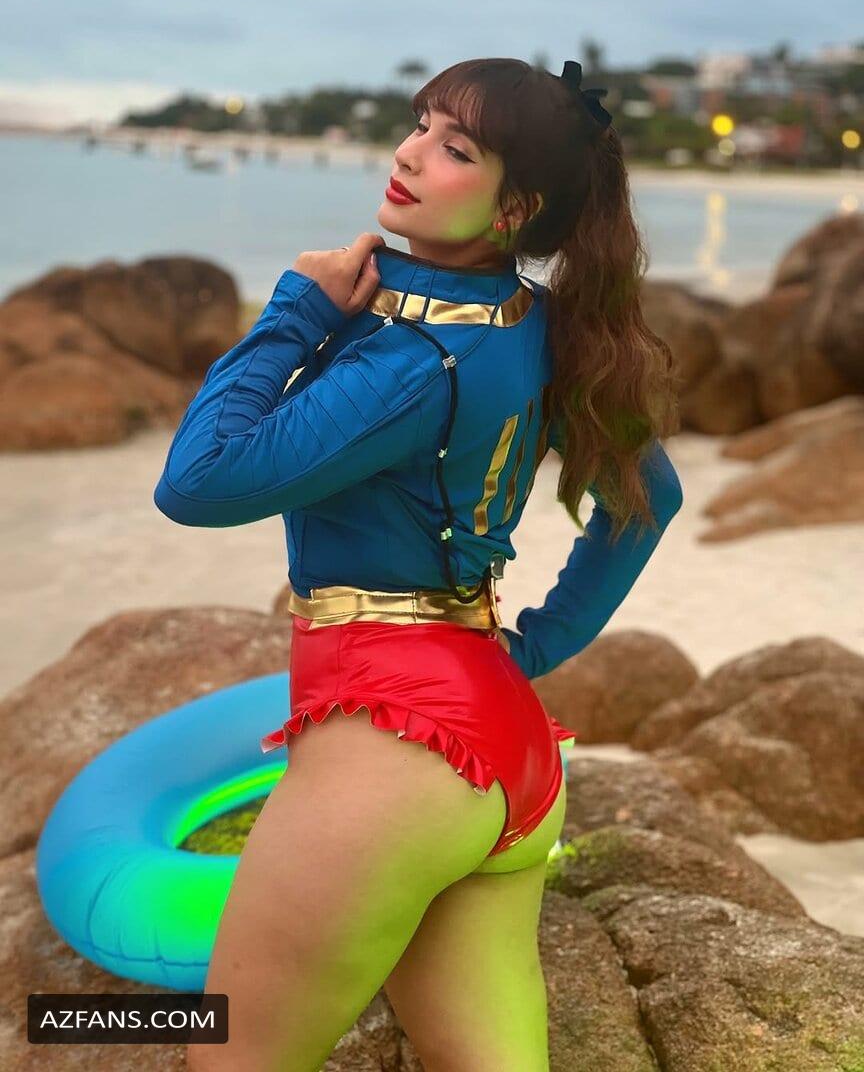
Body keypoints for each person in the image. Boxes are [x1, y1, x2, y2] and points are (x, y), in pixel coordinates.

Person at [155, 56, 683, 1072]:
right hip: (508, 751)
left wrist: (294, 314)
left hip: (395, 758)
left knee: (225, 1050)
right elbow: (649, 498)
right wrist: (534, 649)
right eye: (421, 124)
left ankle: (59, 1026)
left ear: (515, 208)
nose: (408, 153)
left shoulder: (411, 363)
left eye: (456, 148)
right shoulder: (544, 326)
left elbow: (200, 482)